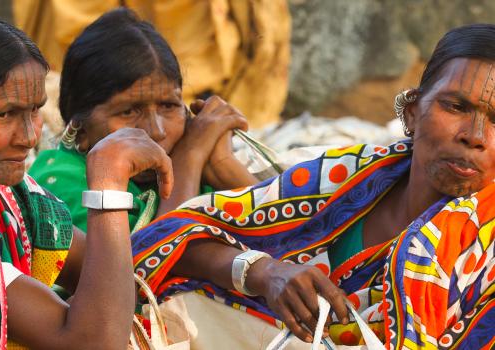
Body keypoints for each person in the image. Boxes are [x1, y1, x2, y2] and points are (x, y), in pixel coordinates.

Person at [132, 24, 495, 348]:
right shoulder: (344, 176)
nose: (475, 137)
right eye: (456, 106)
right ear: (413, 111)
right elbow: (172, 239)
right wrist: (263, 271)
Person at [0, 9, 172, 349]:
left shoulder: (4, 196)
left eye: (35, 110)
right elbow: (94, 342)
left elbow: (118, 279)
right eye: (5, 114)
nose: (29, 136)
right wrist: (107, 185)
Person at [29, 8, 257, 234]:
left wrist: (223, 164)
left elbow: (287, 235)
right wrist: (189, 156)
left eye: (169, 106)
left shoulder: (193, 171)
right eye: (128, 111)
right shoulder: (59, 182)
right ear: (80, 130)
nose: (156, 131)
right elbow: (150, 261)